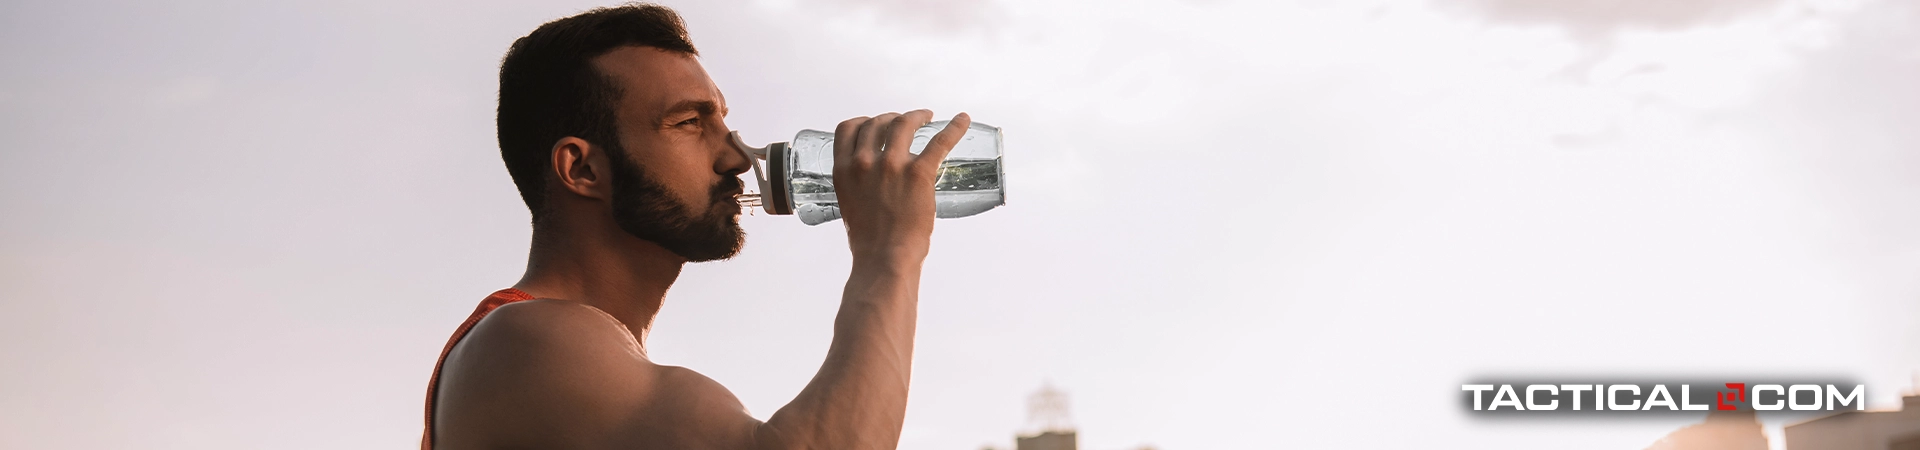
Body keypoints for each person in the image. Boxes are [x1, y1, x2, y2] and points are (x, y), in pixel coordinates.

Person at [421, 4, 970, 449]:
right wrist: (889, 251)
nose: (737, 156)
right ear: (582, 169)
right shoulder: (528, 340)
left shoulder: (589, 361)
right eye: (688, 123)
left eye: (723, 120)